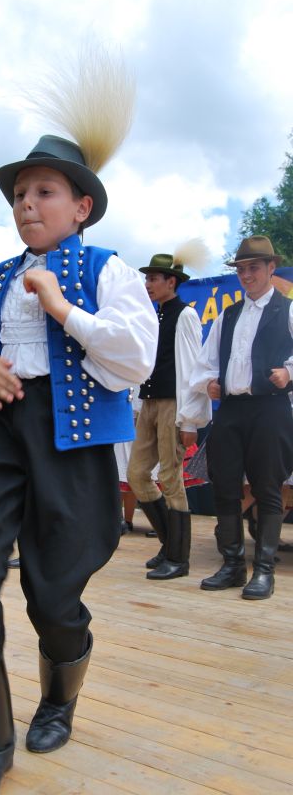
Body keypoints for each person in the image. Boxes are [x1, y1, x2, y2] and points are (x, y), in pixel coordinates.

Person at [0, 48, 158, 795]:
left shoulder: (107, 271)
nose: (27, 204)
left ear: (81, 207)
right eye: (20, 193)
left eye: (44, 191)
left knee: (53, 596)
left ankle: (58, 698)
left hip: (74, 439)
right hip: (2, 430)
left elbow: (135, 359)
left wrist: (63, 308)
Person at [191, 235, 293, 600]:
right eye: (242, 270)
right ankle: (233, 565)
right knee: (225, 486)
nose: (246, 275)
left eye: (254, 268)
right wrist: (209, 382)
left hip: (270, 408)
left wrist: (289, 372)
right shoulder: (228, 315)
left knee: (267, 487)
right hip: (232, 410)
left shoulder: (287, 310)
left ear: (270, 268)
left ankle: (264, 570)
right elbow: (204, 362)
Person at [127, 243, 211, 580]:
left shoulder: (185, 315)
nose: (147, 284)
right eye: (147, 278)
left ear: (171, 282)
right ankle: (169, 545)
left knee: (171, 478)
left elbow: (192, 368)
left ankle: (178, 558)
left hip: (173, 405)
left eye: (153, 279)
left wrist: (189, 420)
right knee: (137, 474)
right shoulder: (153, 315)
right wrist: (138, 404)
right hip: (149, 403)